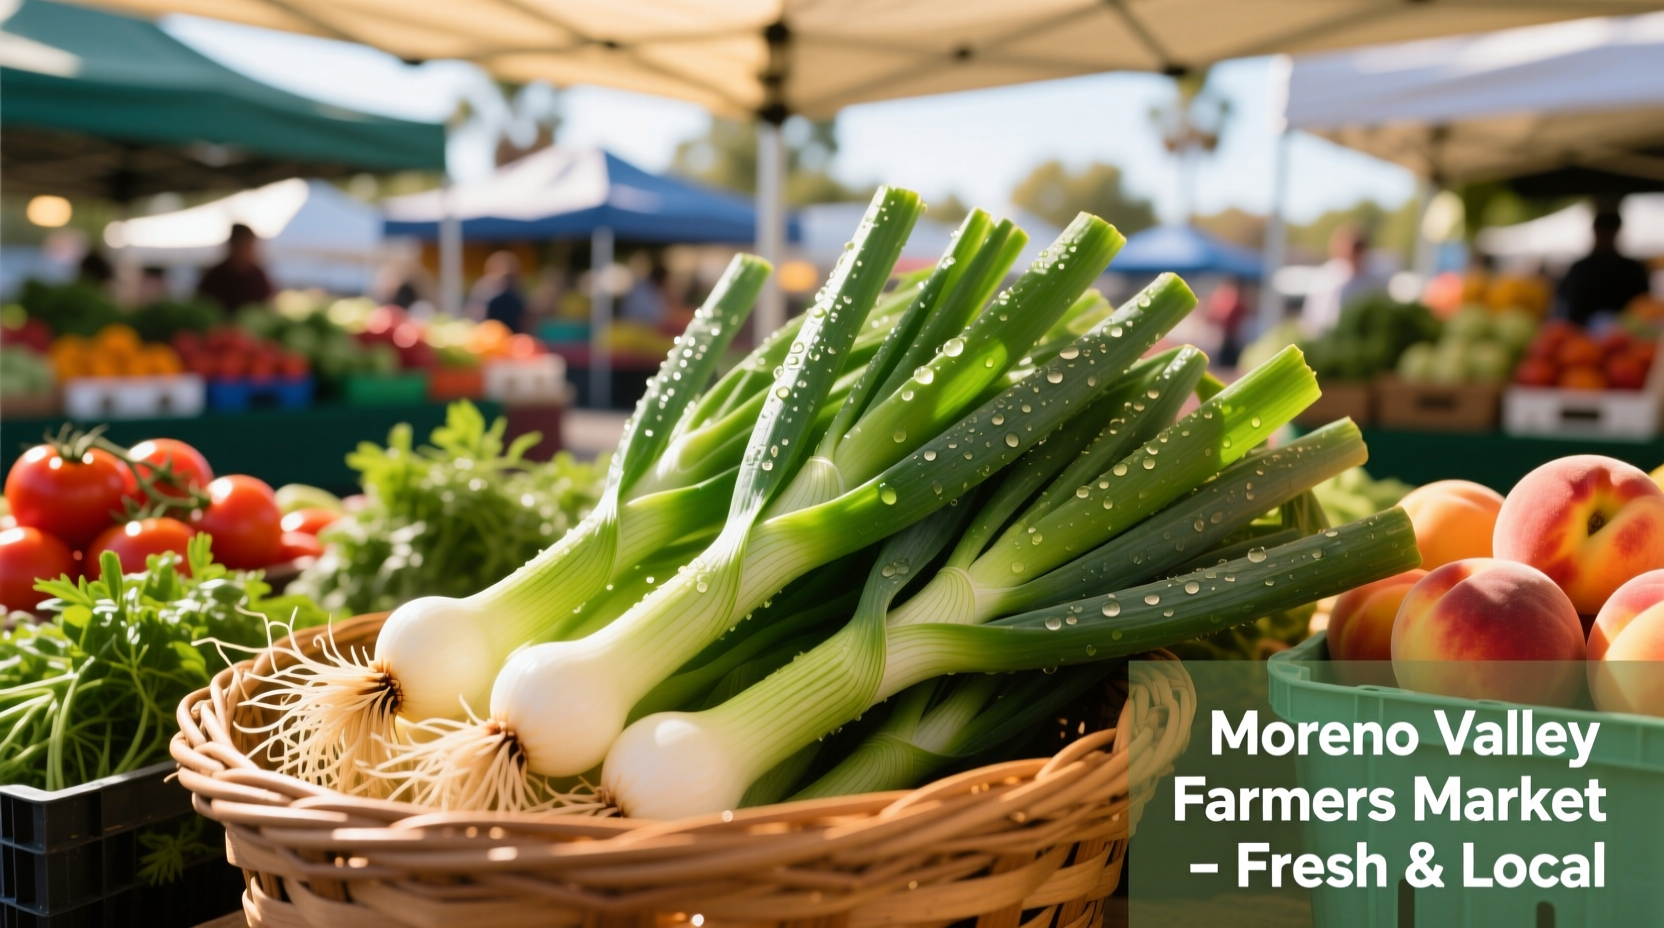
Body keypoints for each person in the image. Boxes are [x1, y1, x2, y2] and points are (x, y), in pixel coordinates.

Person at [1557, 211, 1651, 326]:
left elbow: (1642, 304)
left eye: (1608, 231)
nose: (1606, 236)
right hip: (1587, 331)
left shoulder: (1632, 268)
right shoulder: (1581, 268)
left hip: (1623, 331)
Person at [1299, 224, 1387, 337]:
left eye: (1358, 250)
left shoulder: (1375, 279)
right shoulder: (1327, 278)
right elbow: (1313, 319)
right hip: (1330, 338)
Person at [196, 223, 273, 311]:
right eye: (243, 244)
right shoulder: (216, 276)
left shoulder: (258, 276)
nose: (249, 250)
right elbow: (202, 304)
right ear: (232, 244)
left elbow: (267, 304)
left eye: (250, 244)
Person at [469, 251, 527, 333]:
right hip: (489, 335)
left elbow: (524, 320)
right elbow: (475, 318)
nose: (504, 280)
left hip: (514, 336)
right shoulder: (483, 293)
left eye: (508, 277)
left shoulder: (517, 294)